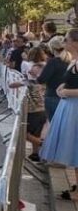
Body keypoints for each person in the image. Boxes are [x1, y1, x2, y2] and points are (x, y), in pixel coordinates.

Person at [39, 29, 78, 201]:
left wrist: (66, 91)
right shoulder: (73, 61)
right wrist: (63, 88)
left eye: (66, 40)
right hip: (69, 106)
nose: (64, 43)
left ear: (75, 43)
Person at [38, 36, 70, 121]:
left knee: (54, 125)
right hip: (70, 98)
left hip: (53, 96)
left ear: (52, 48)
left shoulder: (53, 62)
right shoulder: (72, 61)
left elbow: (41, 79)